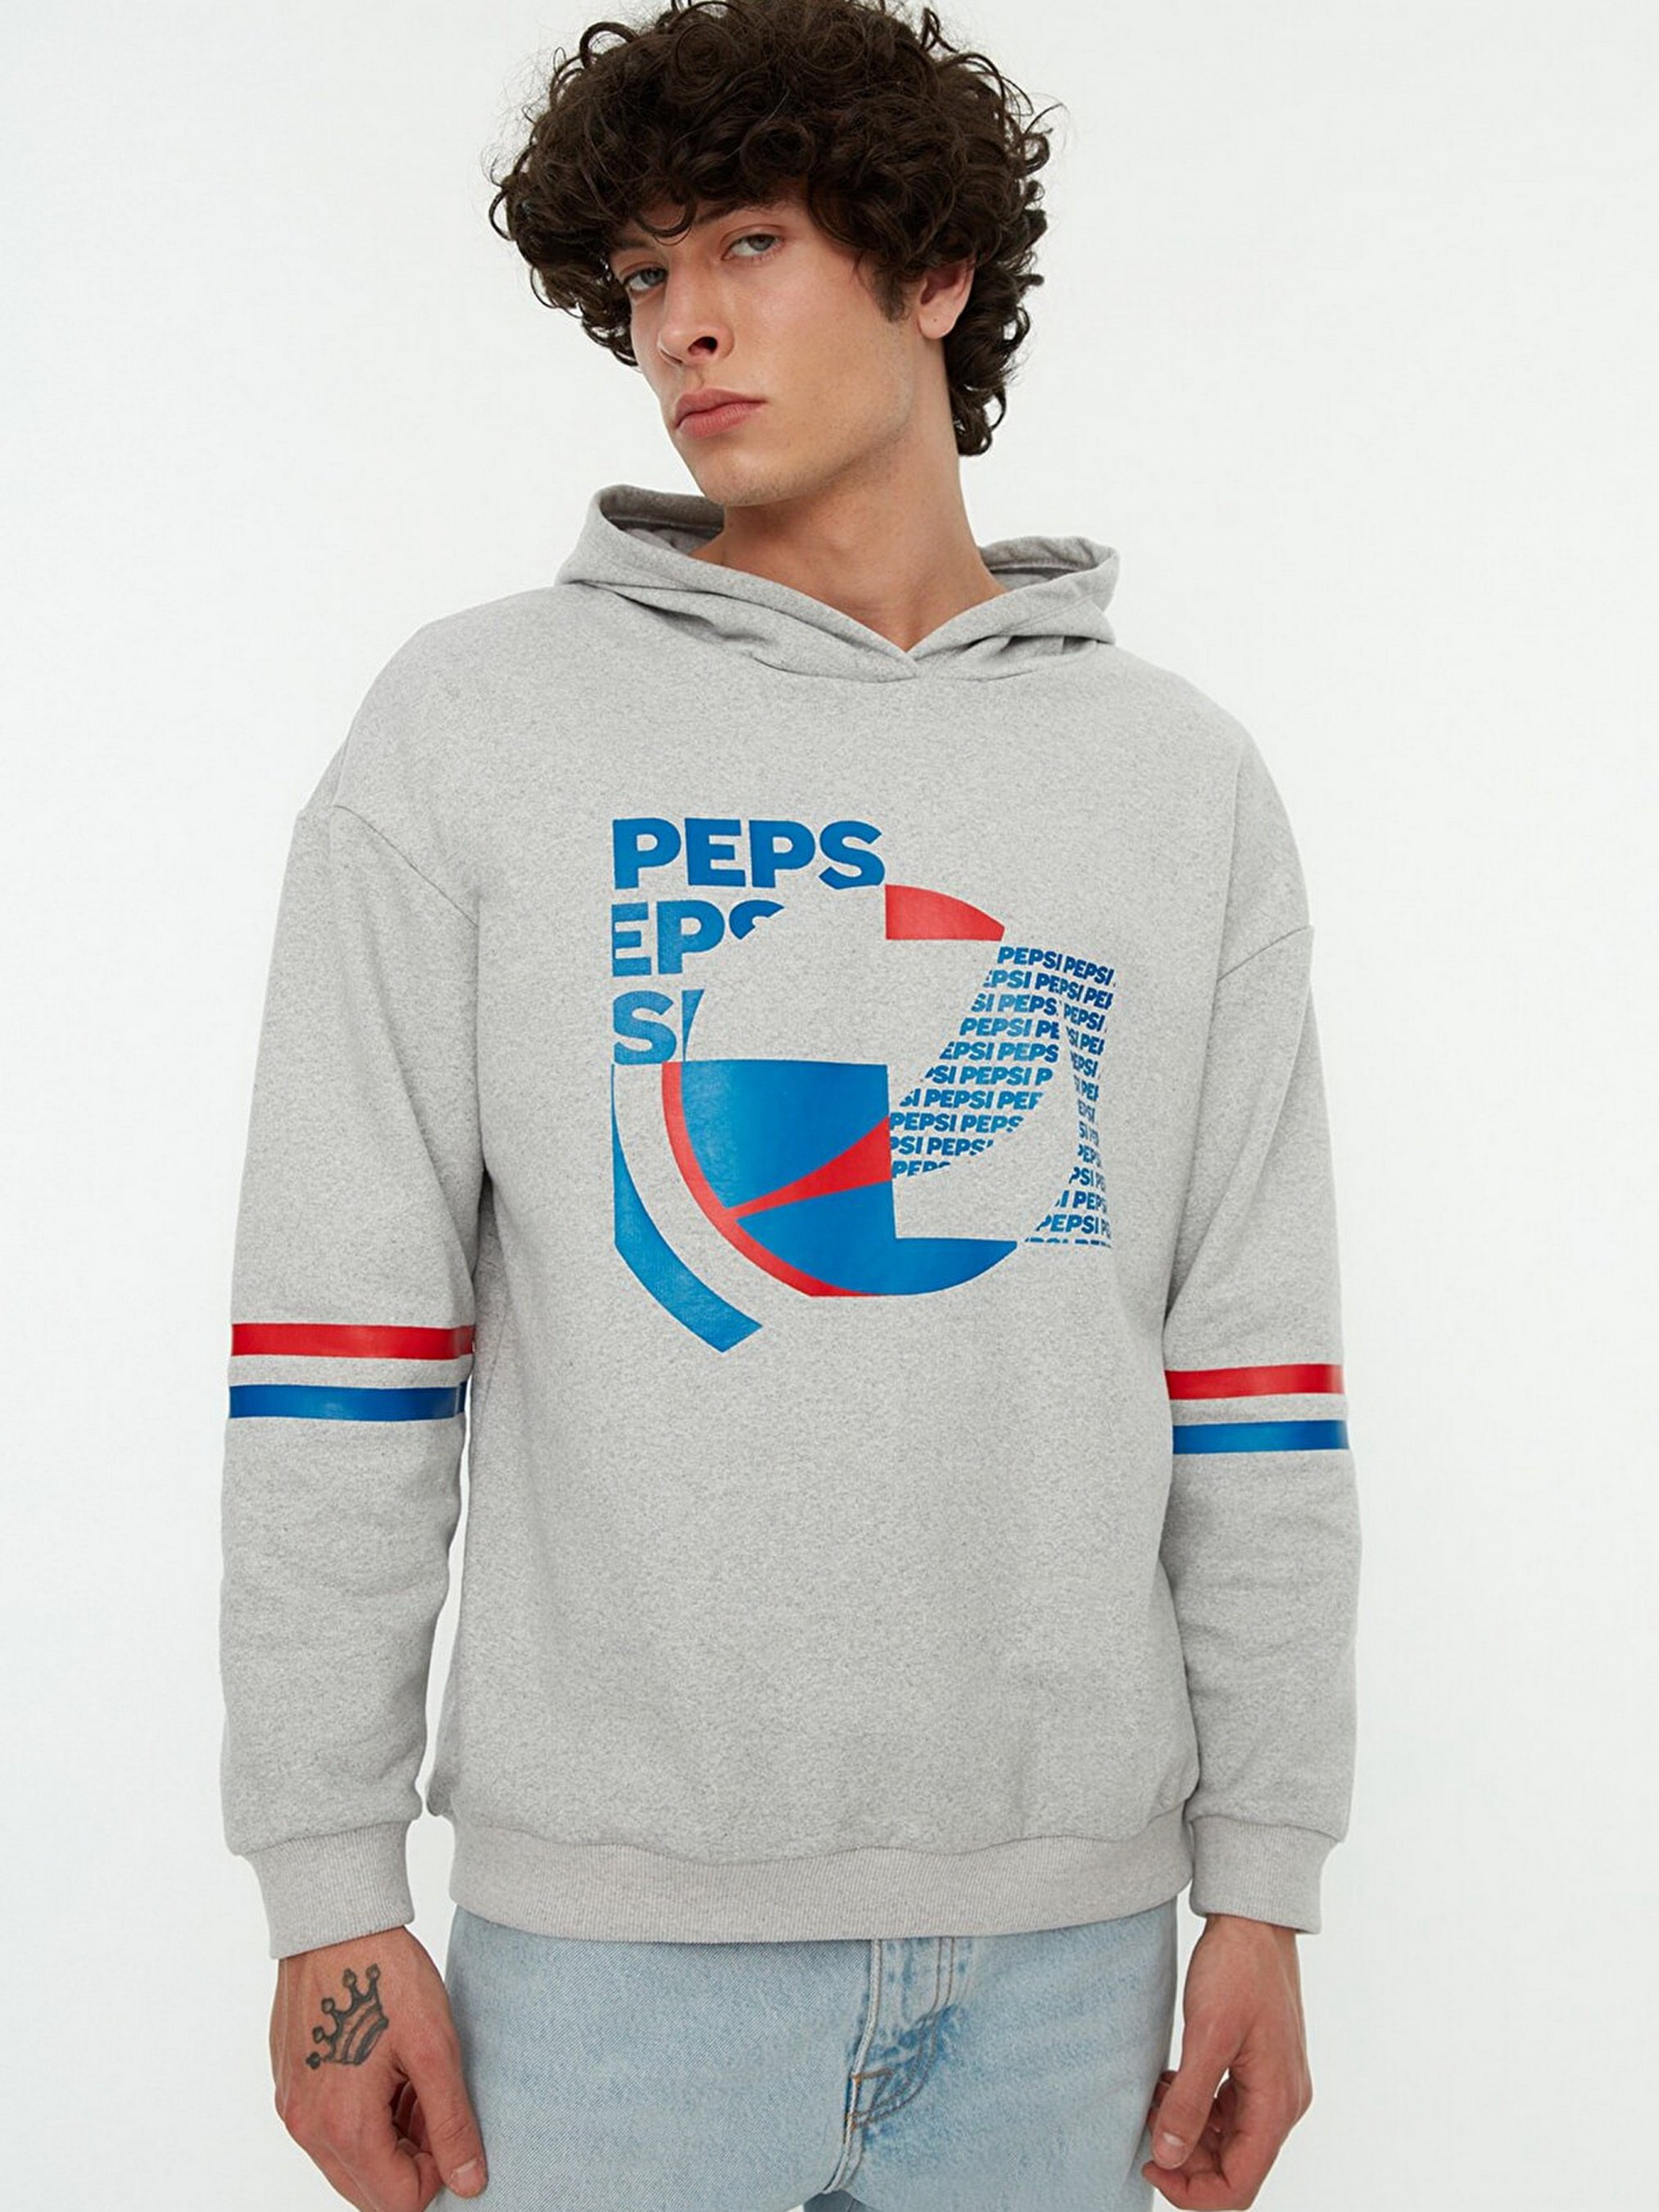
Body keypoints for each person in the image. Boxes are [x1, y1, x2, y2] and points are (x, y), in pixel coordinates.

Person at [218, 2, 1362, 2207]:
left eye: (747, 243)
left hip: (1073, 1953)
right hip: (605, 1963)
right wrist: (326, 1888)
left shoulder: (1173, 779)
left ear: (932, 270)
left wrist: (1265, 1874)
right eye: (642, 275)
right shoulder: (474, 726)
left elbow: (1251, 1369)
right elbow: (341, 1347)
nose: (682, 325)